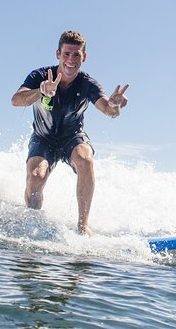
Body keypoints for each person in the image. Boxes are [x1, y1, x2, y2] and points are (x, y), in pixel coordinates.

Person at [11, 30, 129, 236]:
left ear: (84, 57)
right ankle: (32, 221)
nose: (71, 60)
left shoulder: (87, 84)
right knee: (35, 175)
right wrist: (40, 91)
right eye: (66, 54)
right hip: (43, 138)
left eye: (76, 55)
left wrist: (116, 106)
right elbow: (16, 100)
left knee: (85, 160)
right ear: (58, 54)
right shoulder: (40, 76)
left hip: (72, 138)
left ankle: (83, 227)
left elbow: (108, 110)